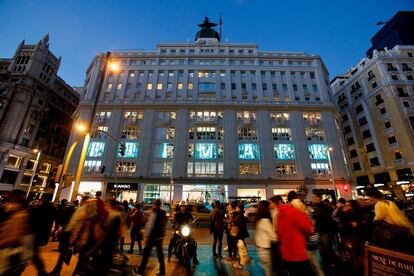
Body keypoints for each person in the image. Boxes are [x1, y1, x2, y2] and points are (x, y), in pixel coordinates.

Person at [278, 191, 314, 276]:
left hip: (286, 253)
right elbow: (310, 230)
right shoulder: (297, 212)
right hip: (298, 253)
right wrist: (303, 213)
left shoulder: (281, 212)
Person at [132, 199, 167, 276]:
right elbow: (164, 225)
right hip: (159, 237)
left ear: (155, 204)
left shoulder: (154, 212)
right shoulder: (163, 213)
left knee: (146, 255)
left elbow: (150, 225)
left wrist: (146, 235)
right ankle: (162, 271)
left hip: (152, 237)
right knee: (160, 255)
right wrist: (162, 234)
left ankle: (140, 271)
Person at [0, 190, 31, 275]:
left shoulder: (20, 216)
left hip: (12, 255)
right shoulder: (11, 215)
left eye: (10, 201)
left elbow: (14, 238)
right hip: (13, 256)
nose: (6, 204)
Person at [49, 199, 75, 276]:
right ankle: (57, 270)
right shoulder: (72, 214)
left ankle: (57, 270)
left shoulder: (66, 214)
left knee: (63, 253)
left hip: (67, 234)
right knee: (63, 253)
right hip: (68, 235)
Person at [312, 193, 336, 271]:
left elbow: (321, 218)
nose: (313, 199)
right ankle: (327, 263)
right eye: (313, 198)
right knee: (323, 248)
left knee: (327, 247)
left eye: (315, 198)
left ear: (319, 198)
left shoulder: (323, 207)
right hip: (321, 230)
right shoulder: (316, 207)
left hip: (325, 231)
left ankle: (332, 263)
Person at [255, 201, 277, 276]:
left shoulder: (258, 220)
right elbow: (274, 237)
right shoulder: (266, 221)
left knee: (266, 269)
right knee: (269, 271)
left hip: (259, 250)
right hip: (266, 251)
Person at [268, 195, 283, 275]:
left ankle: (277, 269)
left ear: (275, 203)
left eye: (270, 203)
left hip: (277, 236)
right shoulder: (273, 211)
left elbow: (277, 226)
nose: (269, 205)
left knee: (276, 254)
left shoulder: (277, 212)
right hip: (275, 235)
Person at [232, 203, 249, 269]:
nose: (236, 209)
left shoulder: (239, 217)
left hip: (239, 235)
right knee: (241, 249)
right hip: (241, 235)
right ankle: (240, 262)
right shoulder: (241, 215)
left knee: (240, 250)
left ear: (239, 209)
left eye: (237, 208)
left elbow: (240, 226)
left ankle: (240, 264)